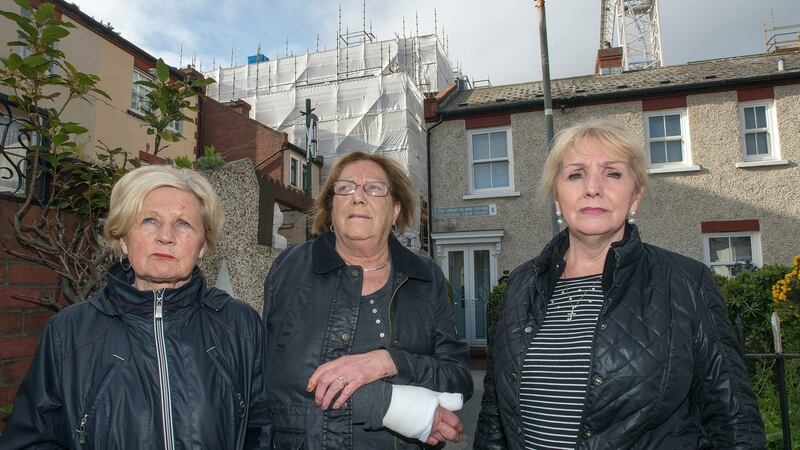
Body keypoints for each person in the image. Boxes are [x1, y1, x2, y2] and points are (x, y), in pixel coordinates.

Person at [474, 119, 766, 449]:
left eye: (612, 173)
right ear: (558, 197)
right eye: (575, 174)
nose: (593, 187)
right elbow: (494, 417)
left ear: (635, 196)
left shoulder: (685, 282)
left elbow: (734, 422)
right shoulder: (520, 286)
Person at [0, 165, 271, 449]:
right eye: (150, 220)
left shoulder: (240, 325)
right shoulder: (69, 332)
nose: (166, 236)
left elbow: (261, 431)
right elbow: (32, 440)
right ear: (123, 239)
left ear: (202, 245)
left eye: (183, 223)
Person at [262, 151, 473, 449]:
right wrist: (385, 403)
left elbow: (458, 379)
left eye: (374, 188)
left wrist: (388, 361)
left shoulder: (425, 277)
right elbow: (276, 377)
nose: (358, 197)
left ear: (395, 211)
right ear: (331, 207)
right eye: (345, 187)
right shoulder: (290, 268)